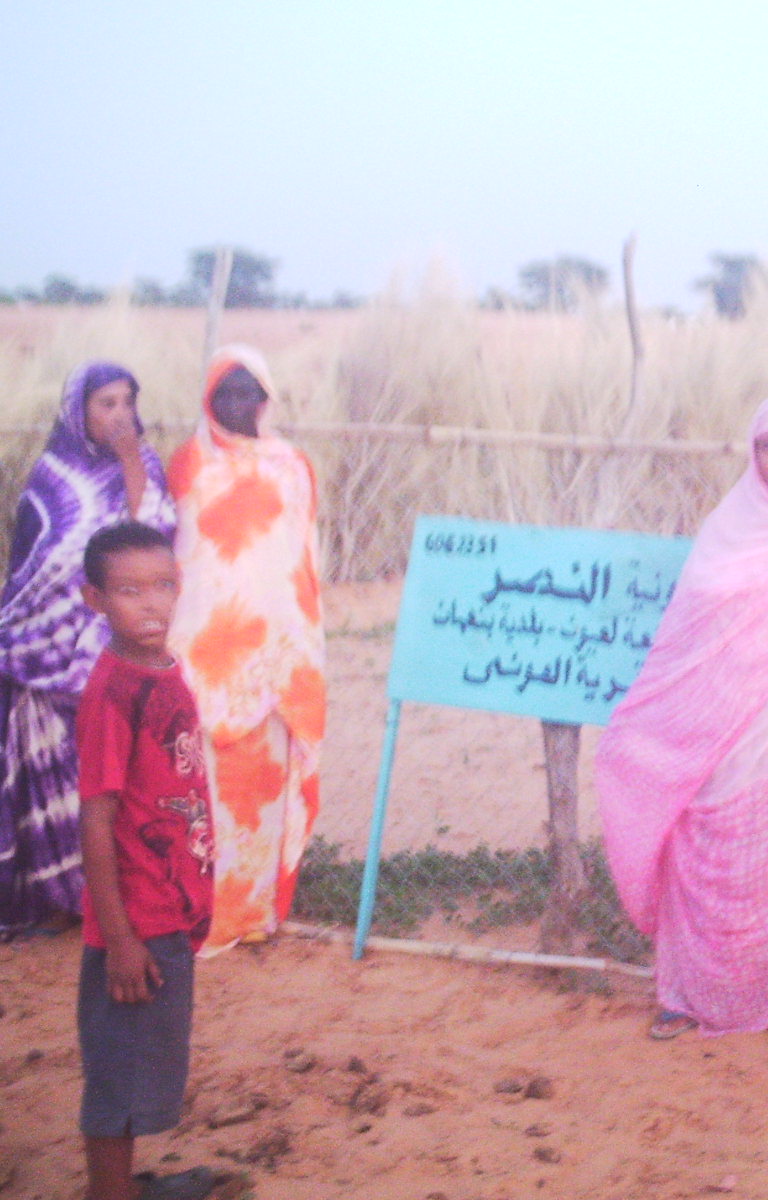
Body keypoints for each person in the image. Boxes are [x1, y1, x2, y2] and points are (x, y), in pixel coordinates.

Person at [597, 394, 768, 1040]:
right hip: (714, 731)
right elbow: (689, 635)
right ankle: (683, 997)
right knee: (703, 854)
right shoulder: (726, 527)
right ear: (753, 453)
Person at [1, 362, 175, 938]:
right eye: (107, 403)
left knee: (111, 776)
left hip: (111, 647)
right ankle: (57, 897)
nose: (121, 414)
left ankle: (108, 900)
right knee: (51, 774)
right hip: (42, 649)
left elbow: (152, 540)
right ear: (78, 412)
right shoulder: (51, 477)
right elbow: (33, 568)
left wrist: (130, 465)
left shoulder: (144, 466)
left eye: (128, 401)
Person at [166, 346, 325, 954]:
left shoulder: (292, 467)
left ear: (266, 398)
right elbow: (180, 556)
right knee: (202, 788)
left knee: (264, 789)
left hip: (276, 658)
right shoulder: (187, 464)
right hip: (202, 655)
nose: (238, 404)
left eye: (249, 392)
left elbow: (303, 559)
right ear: (208, 400)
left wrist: (299, 647)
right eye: (225, 393)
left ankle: (256, 912)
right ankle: (200, 914)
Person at [76, 522, 217, 1200]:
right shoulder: (113, 694)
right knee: (119, 1070)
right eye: (129, 591)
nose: (151, 603)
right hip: (136, 920)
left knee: (141, 1062)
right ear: (95, 599)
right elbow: (96, 818)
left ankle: (123, 1189)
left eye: (163, 585)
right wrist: (120, 939)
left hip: (169, 905)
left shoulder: (161, 669)